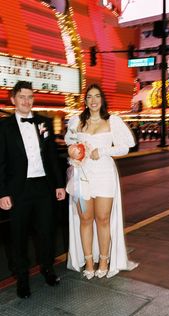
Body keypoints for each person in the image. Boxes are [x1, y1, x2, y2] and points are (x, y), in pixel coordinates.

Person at [65, 83, 138, 279]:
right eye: (89, 96)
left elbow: (128, 145)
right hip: (82, 176)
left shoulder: (113, 121)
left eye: (97, 96)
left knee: (103, 219)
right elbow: (69, 141)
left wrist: (103, 151)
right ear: (86, 101)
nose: (94, 100)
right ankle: (89, 262)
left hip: (105, 174)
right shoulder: (76, 121)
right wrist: (72, 150)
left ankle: (104, 261)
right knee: (85, 219)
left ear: (102, 99)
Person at [0, 81, 66, 298]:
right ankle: (22, 278)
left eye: (30, 97)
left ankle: (47, 268)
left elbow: (52, 158)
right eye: (22, 97)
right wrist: (2, 193)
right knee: (17, 235)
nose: (26, 101)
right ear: (13, 100)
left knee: (46, 231)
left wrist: (58, 184)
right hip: (18, 189)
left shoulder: (44, 122)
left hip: (43, 187)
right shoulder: (3, 126)